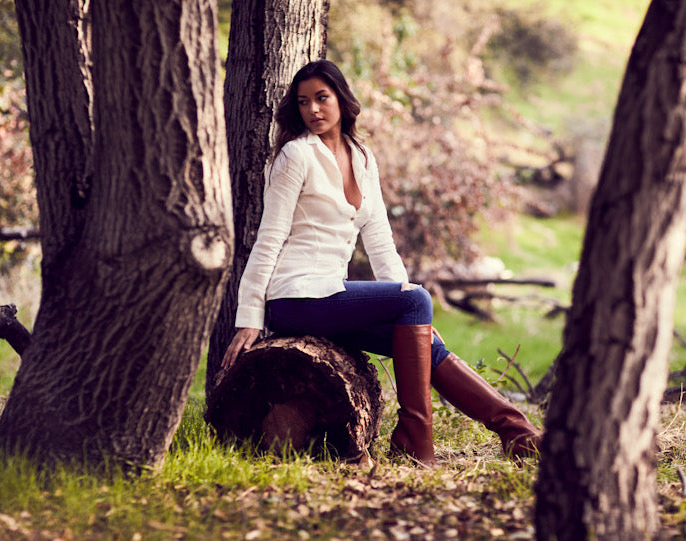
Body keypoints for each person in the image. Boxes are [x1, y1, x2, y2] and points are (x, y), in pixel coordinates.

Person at [222, 59, 541, 466]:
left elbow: (380, 243)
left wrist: (414, 315)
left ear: (341, 98)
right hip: (295, 297)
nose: (313, 110)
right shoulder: (295, 157)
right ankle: (413, 442)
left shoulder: (363, 157)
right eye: (303, 102)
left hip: (330, 294)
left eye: (322, 98)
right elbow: (268, 238)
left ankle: (518, 433)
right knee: (415, 302)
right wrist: (250, 316)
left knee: (426, 340)